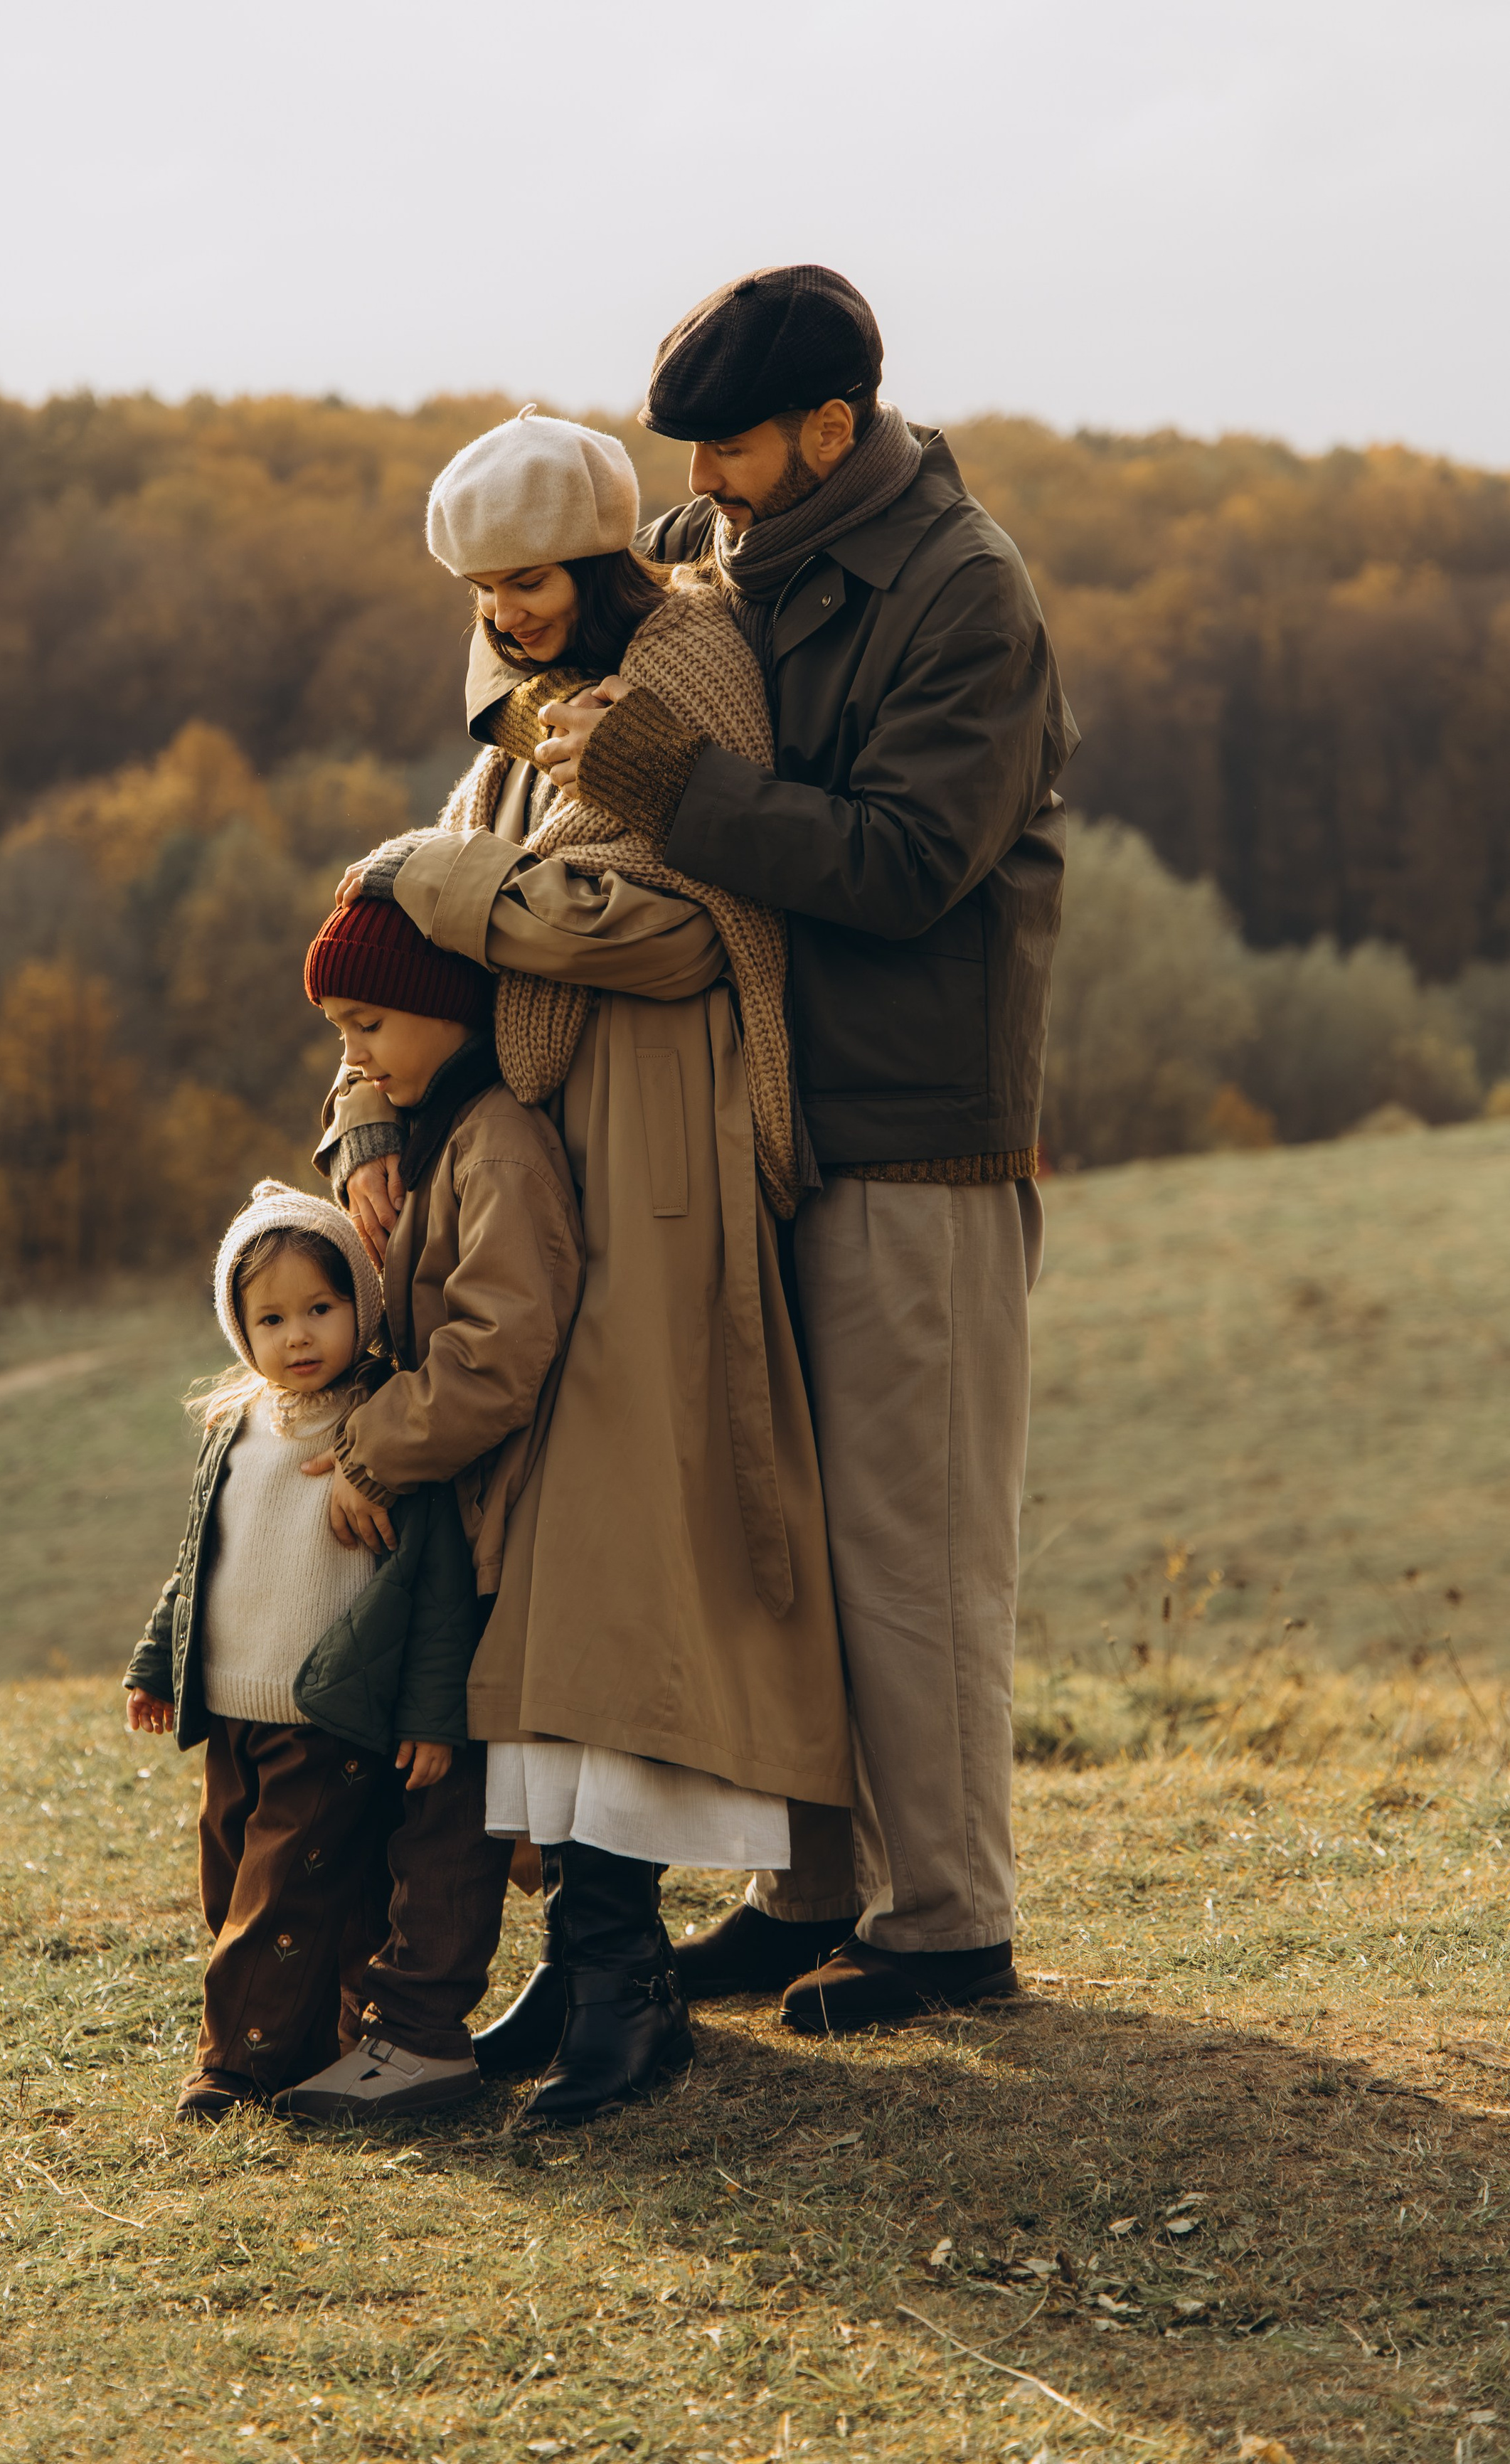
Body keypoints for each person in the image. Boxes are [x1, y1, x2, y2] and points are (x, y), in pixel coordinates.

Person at [519, 266, 1079, 2033]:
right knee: (788, 1532)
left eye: (737, 448)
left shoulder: (965, 597)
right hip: (765, 1117)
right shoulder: (731, 536)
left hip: (914, 1136)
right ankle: (808, 1889)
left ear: (831, 428)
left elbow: (912, 862)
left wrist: (663, 784)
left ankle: (945, 1925)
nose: (706, 485)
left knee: (907, 1550)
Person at [326, 409, 852, 2126]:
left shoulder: (690, 668)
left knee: (622, 1553)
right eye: (481, 587)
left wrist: (447, 878)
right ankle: (589, 1955)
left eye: (534, 579)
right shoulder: (508, 704)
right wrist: (368, 1116)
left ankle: (629, 1976)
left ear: (606, 560)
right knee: (541, 1563)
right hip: (548, 1165)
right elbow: (404, 931)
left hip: (665, 1161)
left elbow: (680, 923)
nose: (507, 610)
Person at [285, 896, 586, 2120]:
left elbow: (498, 1346)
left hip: (486, 1518)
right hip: (439, 1520)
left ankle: (422, 2035)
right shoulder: (426, 1132)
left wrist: (370, 1452)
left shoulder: (498, 1142)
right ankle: (382, 2012)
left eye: (369, 1024)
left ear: (450, 1010)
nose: (350, 1056)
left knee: (446, 1788)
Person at [124, 1185, 484, 2122]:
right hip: (234, 1708)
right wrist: (159, 1660)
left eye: (319, 1309)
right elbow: (202, 1558)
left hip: (331, 1715)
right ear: (239, 1329)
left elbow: (438, 1593)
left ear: (359, 1305)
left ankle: (234, 2068)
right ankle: (325, 2040)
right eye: (271, 1317)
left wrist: (432, 1720)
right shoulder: (238, 1426)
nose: (298, 1336)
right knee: (240, 1878)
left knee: (286, 1887)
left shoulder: (380, 1426)